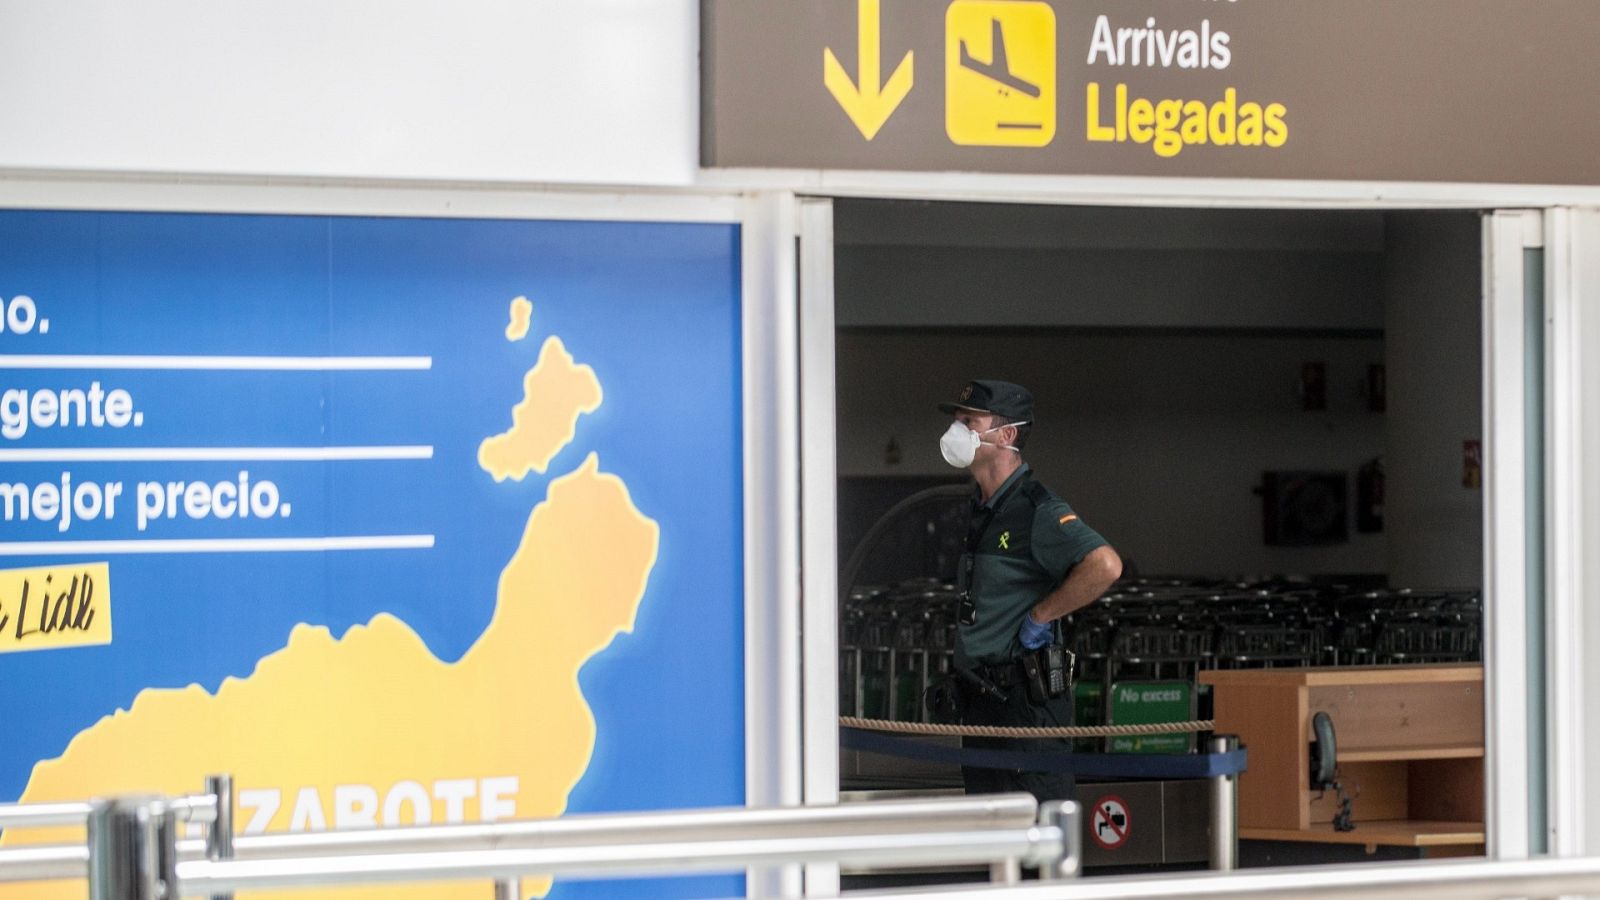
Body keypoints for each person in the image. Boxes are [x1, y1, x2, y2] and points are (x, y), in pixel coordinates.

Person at [936, 379, 1123, 801]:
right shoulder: (981, 507)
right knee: (991, 829)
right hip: (981, 698)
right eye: (956, 420)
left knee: (1038, 827)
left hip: (1025, 700)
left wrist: (1042, 616)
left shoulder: (1035, 509)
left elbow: (1105, 565)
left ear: (1006, 435)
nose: (956, 430)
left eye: (969, 421)